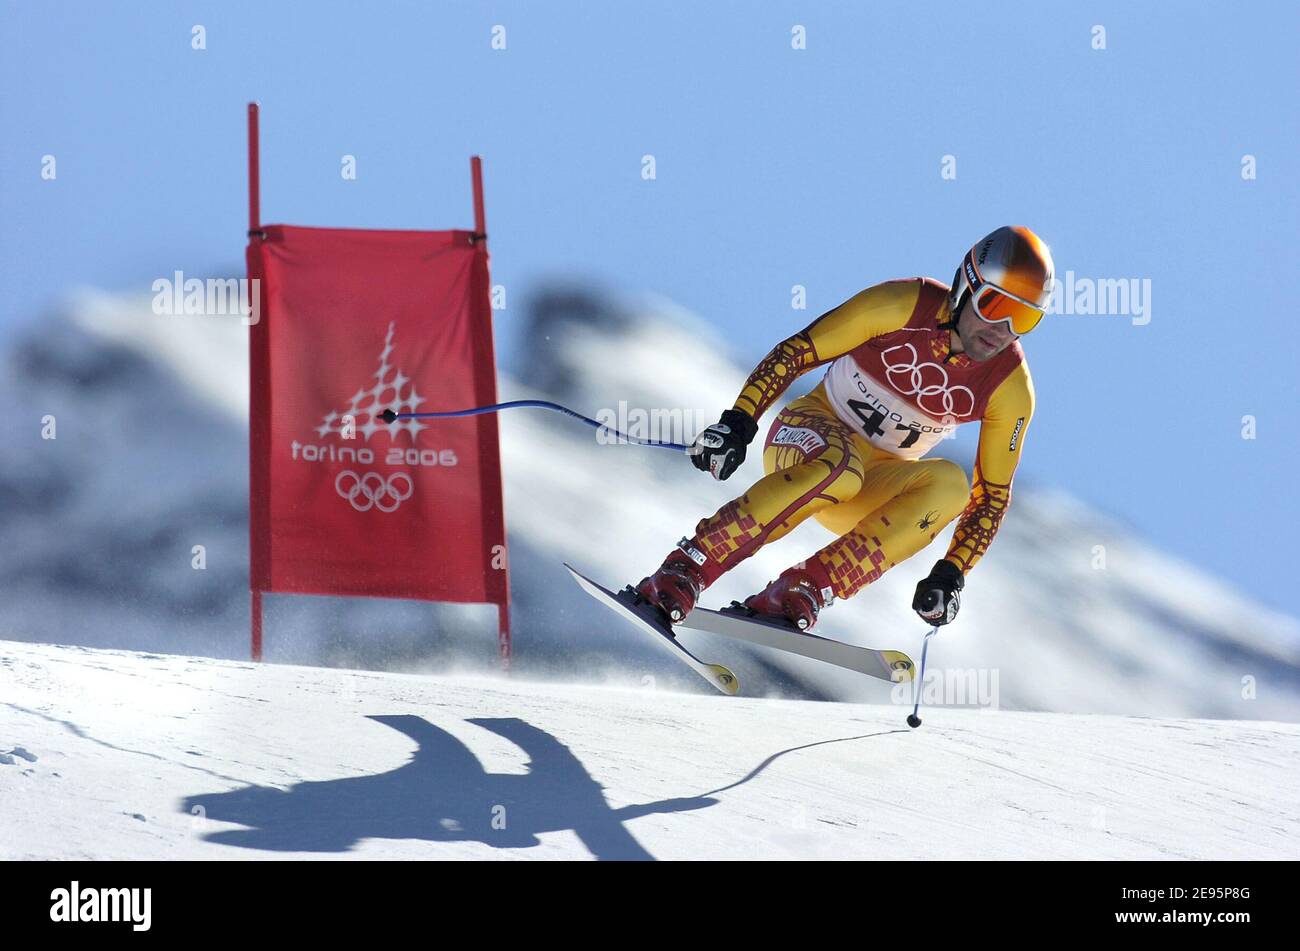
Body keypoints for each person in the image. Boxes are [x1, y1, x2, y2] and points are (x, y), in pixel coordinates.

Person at [636, 225, 1054, 632]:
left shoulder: (1010, 387)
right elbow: (799, 351)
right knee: (841, 465)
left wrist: (951, 573)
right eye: (996, 307)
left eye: (1024, 318)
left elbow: (991, 499)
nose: (1002, 330)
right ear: (966, 286)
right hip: (803, 442)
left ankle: (803, 589)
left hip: (867, 487)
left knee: (952, 487)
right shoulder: (905, 304)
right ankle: (687, 567)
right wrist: (739, 422)